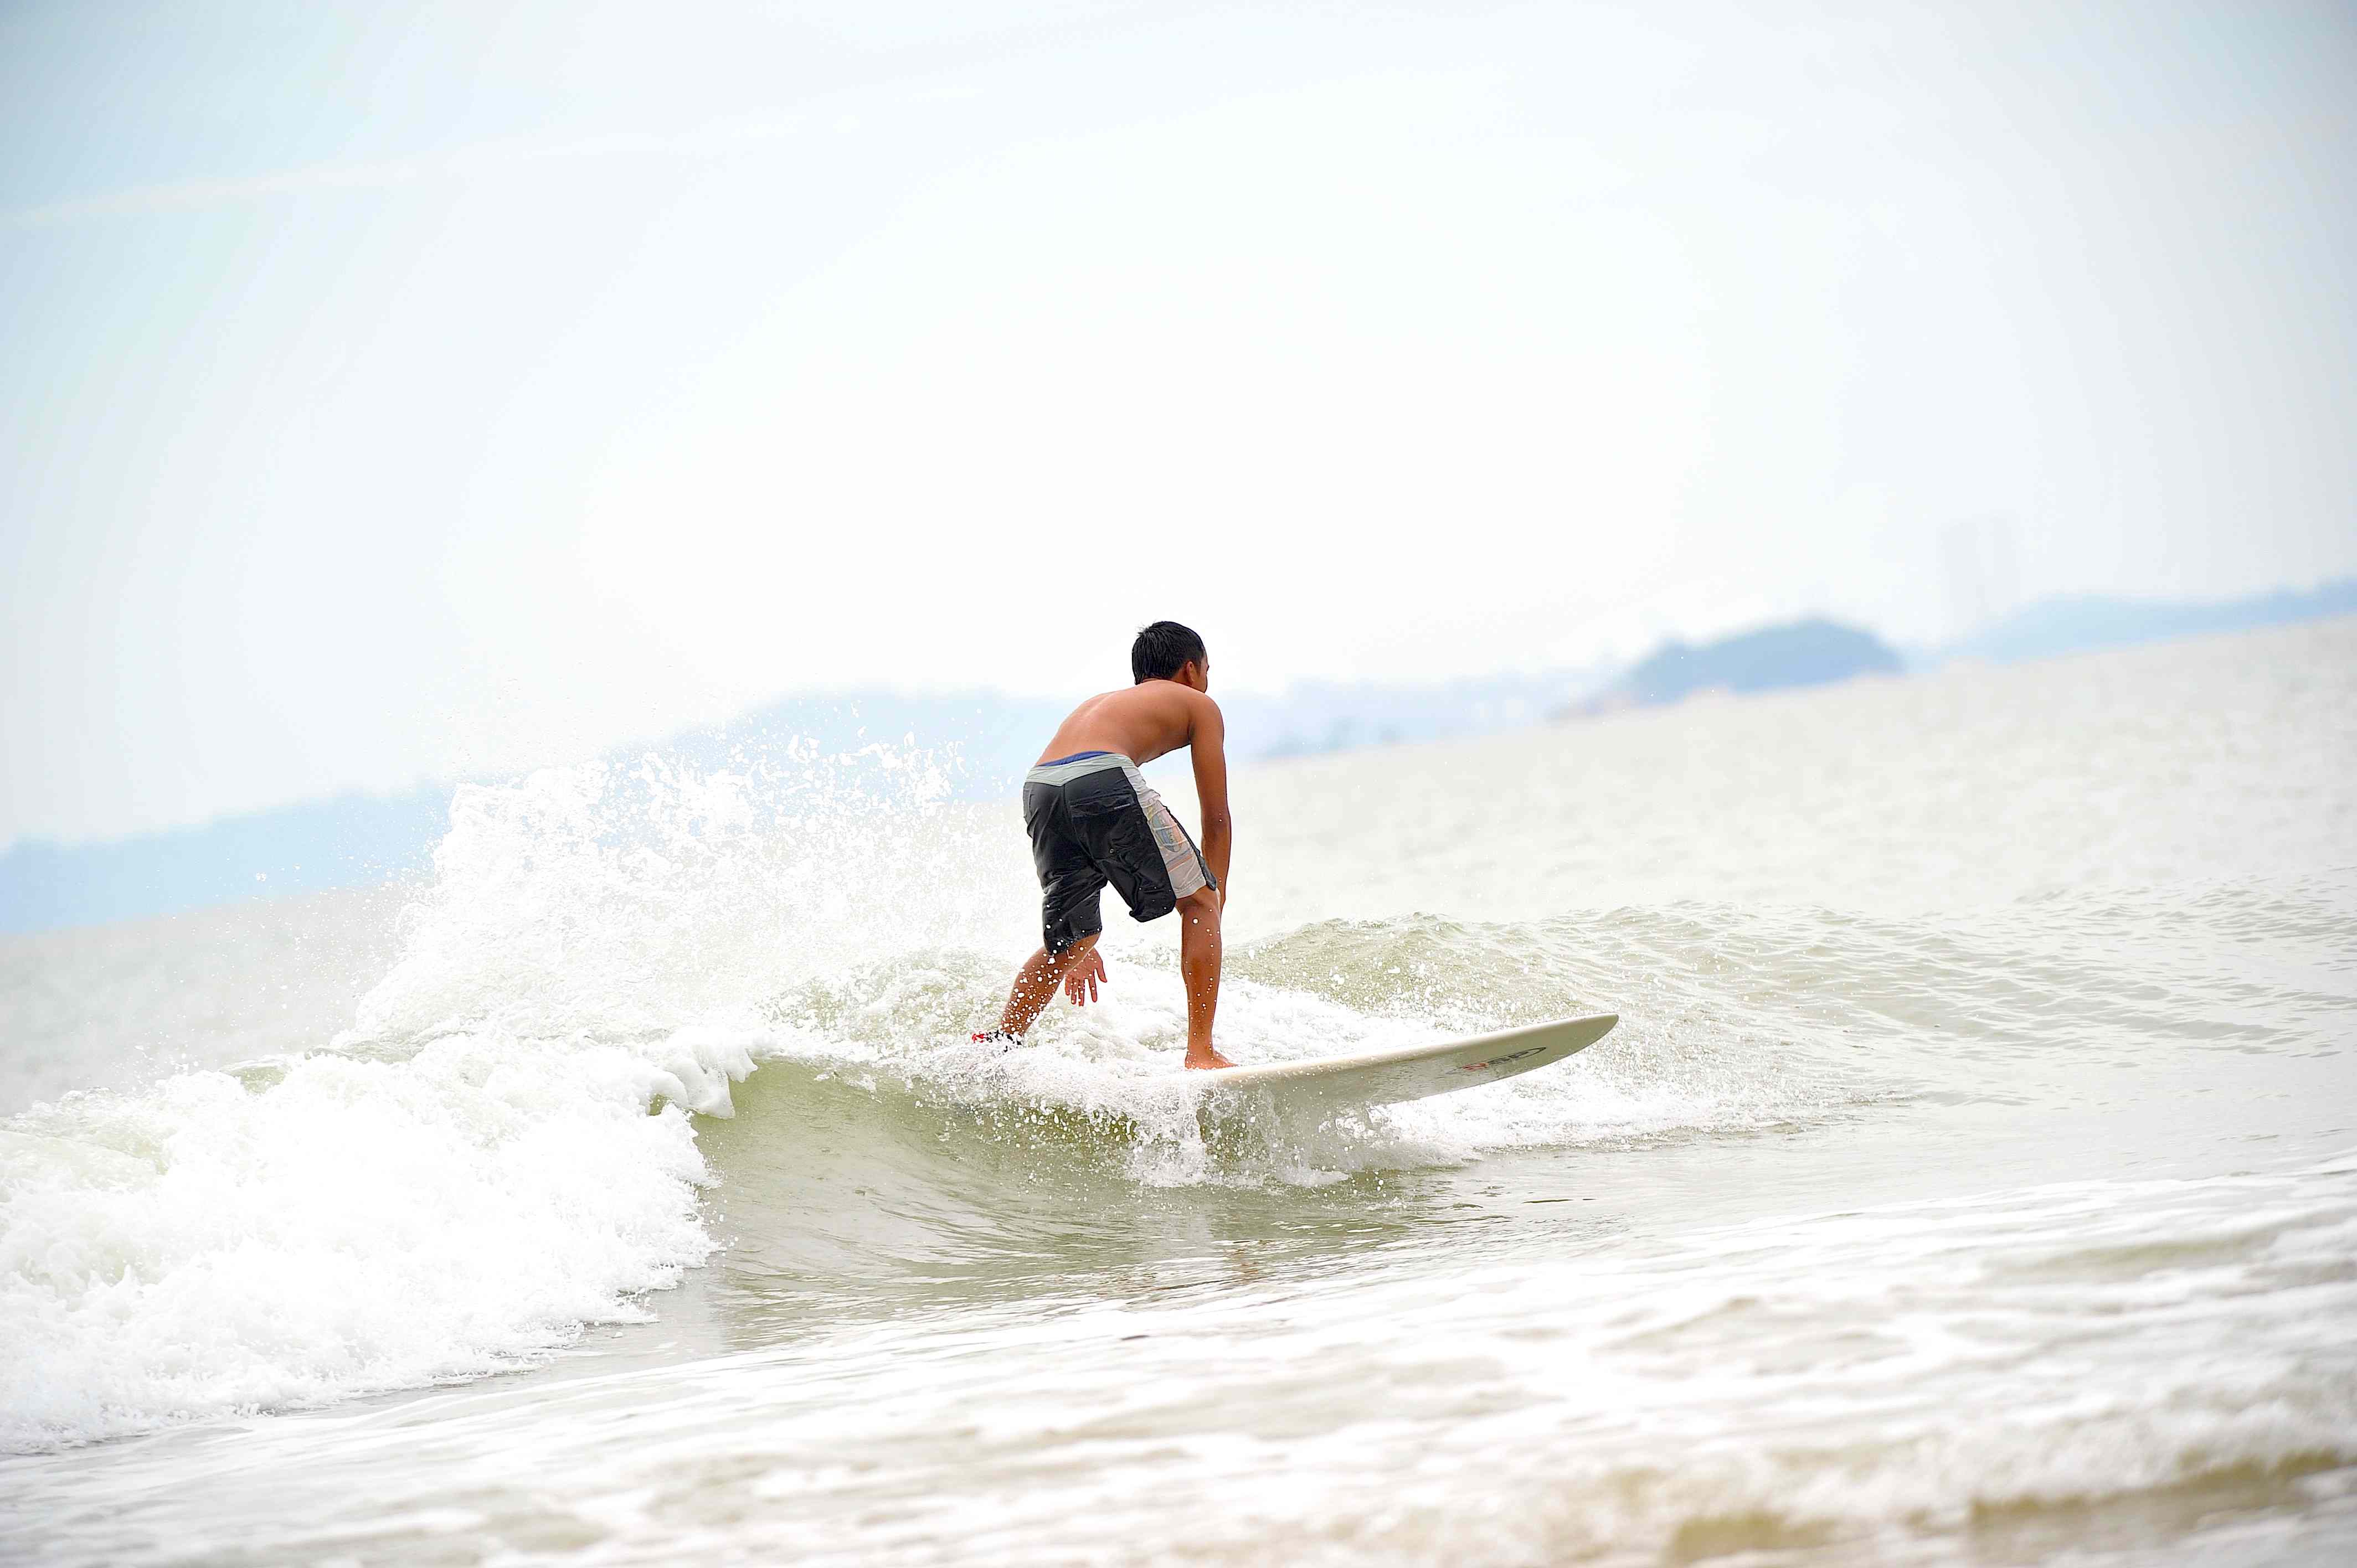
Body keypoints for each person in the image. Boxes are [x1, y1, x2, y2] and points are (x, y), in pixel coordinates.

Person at [975, 620, 1235, 1067]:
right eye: (1208, 670)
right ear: (1191, 670)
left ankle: (1000, 1043)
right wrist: (1213, 895)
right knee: (1200, 902)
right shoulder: (1198, 704)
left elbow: (1073, 810)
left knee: (1073, 939)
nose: (1207, 681)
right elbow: (1216, 818)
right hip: (1102, 774)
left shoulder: (1098, 705)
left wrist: (1079, 939)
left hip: (1040, 786)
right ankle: (1201, 1052)